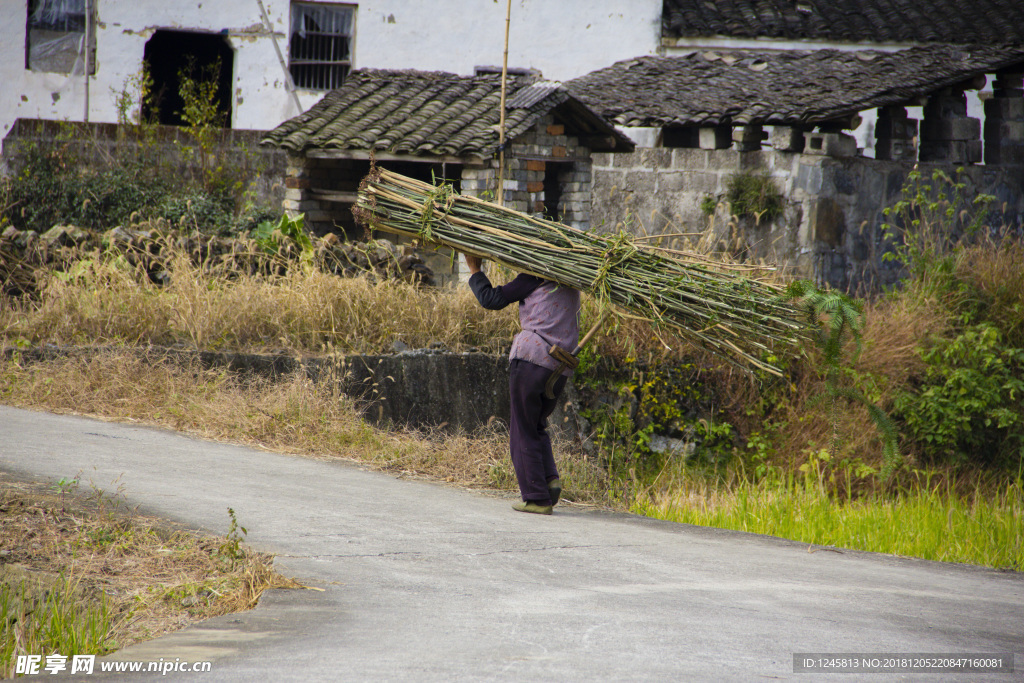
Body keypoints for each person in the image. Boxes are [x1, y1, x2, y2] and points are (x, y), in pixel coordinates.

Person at [465, 254, 580, 515]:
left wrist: (474, 268)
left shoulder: (536, 275)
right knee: (536, 424)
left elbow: (491, 299)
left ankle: (536, 498)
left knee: (522, 428)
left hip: (531, 359)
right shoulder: (571, 281)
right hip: (560, 366)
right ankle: (549, 482)